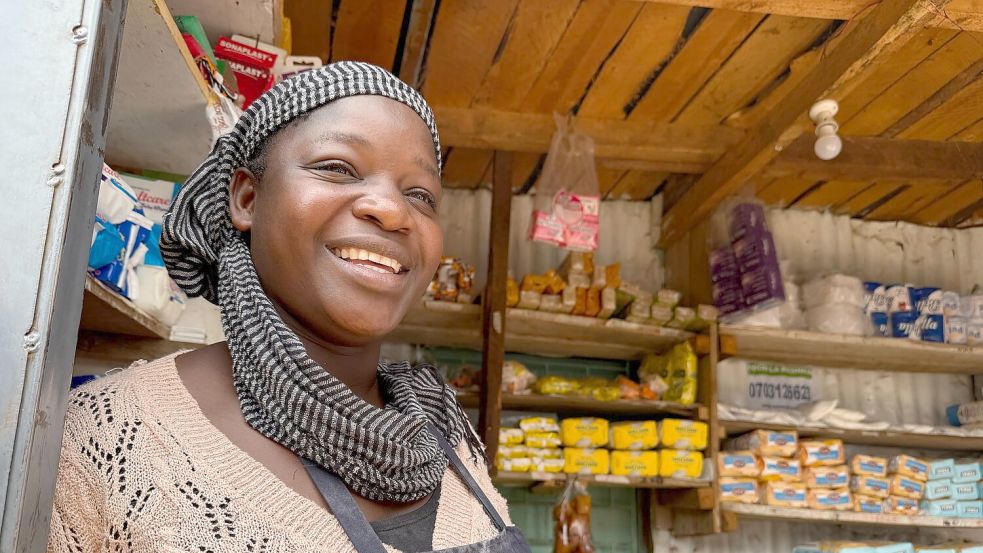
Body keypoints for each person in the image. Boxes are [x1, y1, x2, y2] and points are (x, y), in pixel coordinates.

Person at [48, 62, 531, 553]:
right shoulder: (101, 443)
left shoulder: (442, 429)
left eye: (420, 195)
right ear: (248, 198)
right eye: (338, 168)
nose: (392, 210)